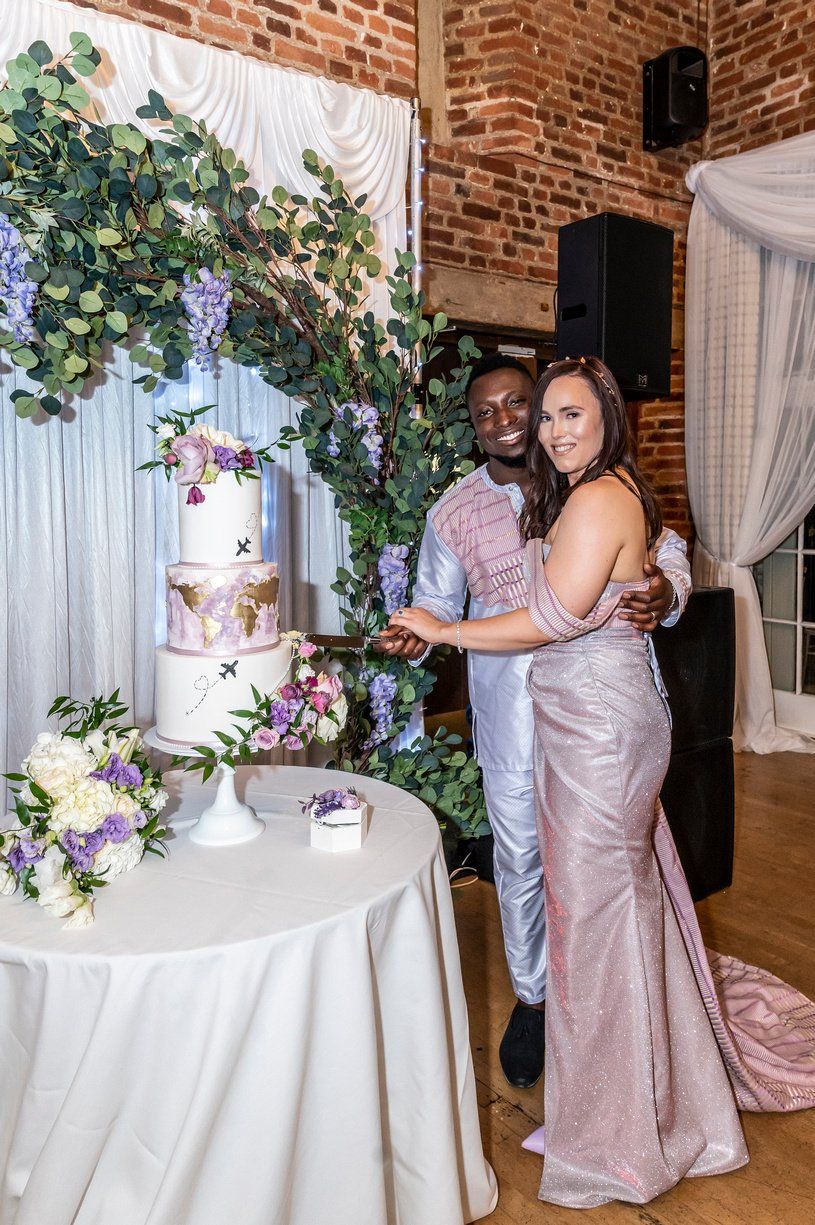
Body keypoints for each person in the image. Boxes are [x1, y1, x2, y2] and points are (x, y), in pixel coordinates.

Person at [389, 356, 815, 1209]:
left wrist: (445, 628)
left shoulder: (595, 495)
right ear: (472, 424)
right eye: (531, 415)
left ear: (606, 417)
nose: (541, 427)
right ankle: (626, 1092)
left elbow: (559, 612)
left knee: (595, 920)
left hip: (597, 729)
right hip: (557, 720)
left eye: (559, 412)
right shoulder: (530, 497)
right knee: (590, 906)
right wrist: (423, 627)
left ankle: (622, 1130)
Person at [378, 353, 691, 1090]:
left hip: (595, 706)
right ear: (472, 425)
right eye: (486, 411)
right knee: (521, 860)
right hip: (511, 709)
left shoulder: (578, 482)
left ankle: (614, 1016)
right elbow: (436, 605)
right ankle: (535, 997)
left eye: (524, 403)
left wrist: (667, 592)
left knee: (601, 865)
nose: (511, 421)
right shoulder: (451, 512)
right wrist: (418, 631)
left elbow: (664, 544)